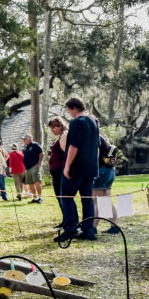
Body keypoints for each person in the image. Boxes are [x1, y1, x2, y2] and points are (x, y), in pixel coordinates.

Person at [58, 96, 99, 242]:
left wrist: (67, 166)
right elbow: (97, 146)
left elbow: (73, 146)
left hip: (76, 167)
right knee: (87, 199)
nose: (69, 113)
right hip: (90, 167)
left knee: (67, 197)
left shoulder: (77, 122)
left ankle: (70, 228)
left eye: (69, 109)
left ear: (73, 108)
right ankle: (89, 230)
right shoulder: (93, 121)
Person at [93, 132, 120, 234]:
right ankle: (114, 227)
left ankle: (93, 227)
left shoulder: (95, 137)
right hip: (110, 171)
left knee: (97, 202)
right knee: (106, 201)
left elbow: (95, 155)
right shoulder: (104, 137)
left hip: (102, 171)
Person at [47, 117, 67, 213]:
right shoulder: (61, 136)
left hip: (60, 170)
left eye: (53, 128)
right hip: (56, 170)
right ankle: (65, 219)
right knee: (59, 196)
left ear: (60, 126)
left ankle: (68, 220)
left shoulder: (64, 135)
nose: (52, 131)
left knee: (62, 196)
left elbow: (66, 153)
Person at [22, 134, 44, 203]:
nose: (23, 140)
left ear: (29, 139)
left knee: (37, 181)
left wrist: (39, 163)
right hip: (27, 167)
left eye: (24, 139)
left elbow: (41, 153)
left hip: (34, 165)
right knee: (30, 183)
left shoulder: (35, 145)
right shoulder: (26, 147)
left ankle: (40, 197)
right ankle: (35, 198)